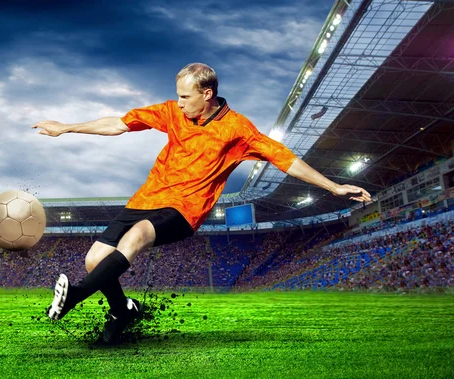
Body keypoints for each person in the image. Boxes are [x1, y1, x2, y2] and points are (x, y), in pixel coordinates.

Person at [32, 63, 371, 344]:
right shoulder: (171, 113)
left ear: (206, 94)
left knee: (137, 236)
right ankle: (123, 311)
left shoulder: (237, 129)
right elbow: (119, 124)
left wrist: (333, 186)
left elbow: (285, 159)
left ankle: (74, 297)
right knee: (95, 260)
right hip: (148, 197)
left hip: (185, 209)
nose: (178, 103)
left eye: (185, 96)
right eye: (177, 95)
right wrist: (67, 128)